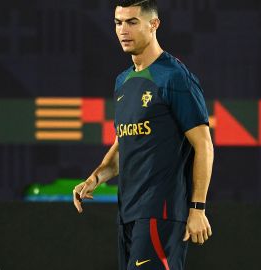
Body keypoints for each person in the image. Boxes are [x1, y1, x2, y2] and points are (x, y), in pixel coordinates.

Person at [73, 0, 214, 269]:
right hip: (128, 213)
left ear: (154, 25)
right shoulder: (122, 80)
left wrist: (197, 208)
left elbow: (204, 145)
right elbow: (124, 143)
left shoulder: (175, 77)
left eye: (132, 22)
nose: (123, 30)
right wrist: (95, 178)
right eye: (118, 22)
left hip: (160, 212)